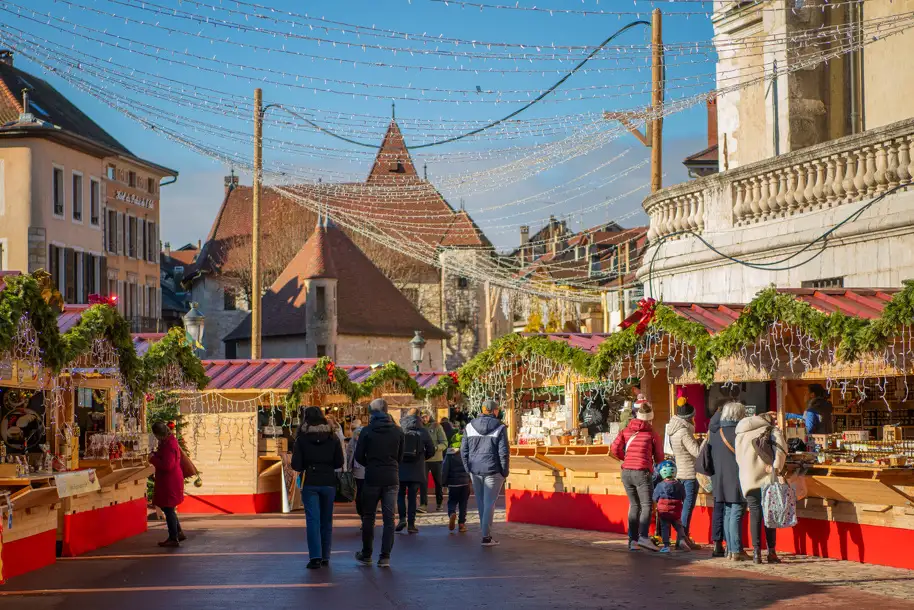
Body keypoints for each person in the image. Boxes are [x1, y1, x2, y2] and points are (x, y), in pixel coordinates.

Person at [291, 407, 344, 569]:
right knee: (326, 520)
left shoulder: (301, 439)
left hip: (311, 482)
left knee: (313, 520)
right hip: (328, 481)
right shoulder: (333, 437)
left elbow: (296, 465)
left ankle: (315, 557)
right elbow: (339, 462)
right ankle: (326, 556)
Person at [355, 399, 404, 568]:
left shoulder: (367, 431)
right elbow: (401, 455)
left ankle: (367, 553)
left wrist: (370, 463)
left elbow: (359, 455)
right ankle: (385, 556)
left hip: (373, 476)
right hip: (391, 476)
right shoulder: (398, 431)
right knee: (389, 518)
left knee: (369, 516)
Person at [611, 399, 664, 552]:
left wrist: (626, 458)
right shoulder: (652, 434)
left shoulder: (626, 430)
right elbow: (659, 457)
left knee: (634, 506)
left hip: (626, 472)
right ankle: (643, 537)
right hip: (642, 472)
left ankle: (632, 540)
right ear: (650, 418)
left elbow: (614, 448)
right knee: (647, 506)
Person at [736, 411, 787, 564]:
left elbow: (738, 457)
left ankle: (757, 552)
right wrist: (776, 468)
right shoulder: (771, 430)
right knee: (769, 514)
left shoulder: (740, 433)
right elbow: (781, 451)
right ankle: (771, 551)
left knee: (755, 513)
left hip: (747, 478)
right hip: (766, 476)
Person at [461, 399, 510, 547]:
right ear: (495, 411)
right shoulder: (500, 427)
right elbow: (503, 452)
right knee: (489, 503)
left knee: (482, 503)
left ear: (482, 410)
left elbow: (464, 451)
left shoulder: (469, 426)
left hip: (475, 470)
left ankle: (485, 534)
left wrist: (468, 468)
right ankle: (486, 536)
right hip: (493, 469)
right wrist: (504, 472)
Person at [707, 401, 750, 561]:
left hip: (719, 479)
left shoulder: (716, 433)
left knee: (727, 513)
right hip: (736, 478)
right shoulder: (739, 434)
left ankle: (730, 550)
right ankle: (736, 550)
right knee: (736, 513)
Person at [667, 397, 702, 549]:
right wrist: (703, 443)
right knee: (687, 508)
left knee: (682, 508)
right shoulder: (684, 432)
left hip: (679, 473)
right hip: (689, 474)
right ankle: (683, 538)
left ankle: (680, 538)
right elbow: (696, 452)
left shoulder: (673, 430)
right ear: (688, 418)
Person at [397, 409, 435, 534]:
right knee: (412, 497)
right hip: (417, 468)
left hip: (401, 467)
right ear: (419, 417)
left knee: (400, 495)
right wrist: (422, 458)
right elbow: (431, 450)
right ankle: (411, 524)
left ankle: (402, 518)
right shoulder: (423, 431)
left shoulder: (400, 430)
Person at [149, 421, 186, 548]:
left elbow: (167, 465)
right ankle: (178, 532)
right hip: (170, 479)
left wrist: (153, 459)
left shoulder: (169, 444)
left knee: (168, 508)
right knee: (168, 507)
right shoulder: (169, 441)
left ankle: (173, 537)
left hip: (170, 480)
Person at [651, 460, 692, 553]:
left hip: (663, 511)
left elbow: (655, 497)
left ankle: (666, 546)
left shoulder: (660, 485)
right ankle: (682, 539)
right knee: (678, 525)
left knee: (665, 527)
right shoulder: (679, 485)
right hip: (676, 511)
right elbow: (683, 496)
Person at [441, 432, 470, 533]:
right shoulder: (467, 452)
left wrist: (443, 483)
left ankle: (452, 513)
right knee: (463, 504)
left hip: (453, 483)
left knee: (452, 501)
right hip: (465, 483)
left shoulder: (449, 454)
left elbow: (444, 470)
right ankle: (461, 524)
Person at [420, 409, 448, 513]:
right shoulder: (420, 427)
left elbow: (444, 443)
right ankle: (423, 505)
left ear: (429, 416)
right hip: (424, 459)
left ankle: (439, 503)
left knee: (438, 482)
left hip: (436, 458)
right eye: (422, 417)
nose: (424, 419)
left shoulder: (437, 426)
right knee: (423, 482)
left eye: (426, 416)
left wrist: (435, 448)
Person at [346, 422, 366, 520]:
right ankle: (361, 512)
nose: (358, 437)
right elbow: (348, 455)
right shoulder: (352, 443)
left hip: (367, 470)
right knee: (360, 491)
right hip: (357, 471)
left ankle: (365, 513)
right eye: (357, 435)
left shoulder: (368, 442)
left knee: (365, 492)